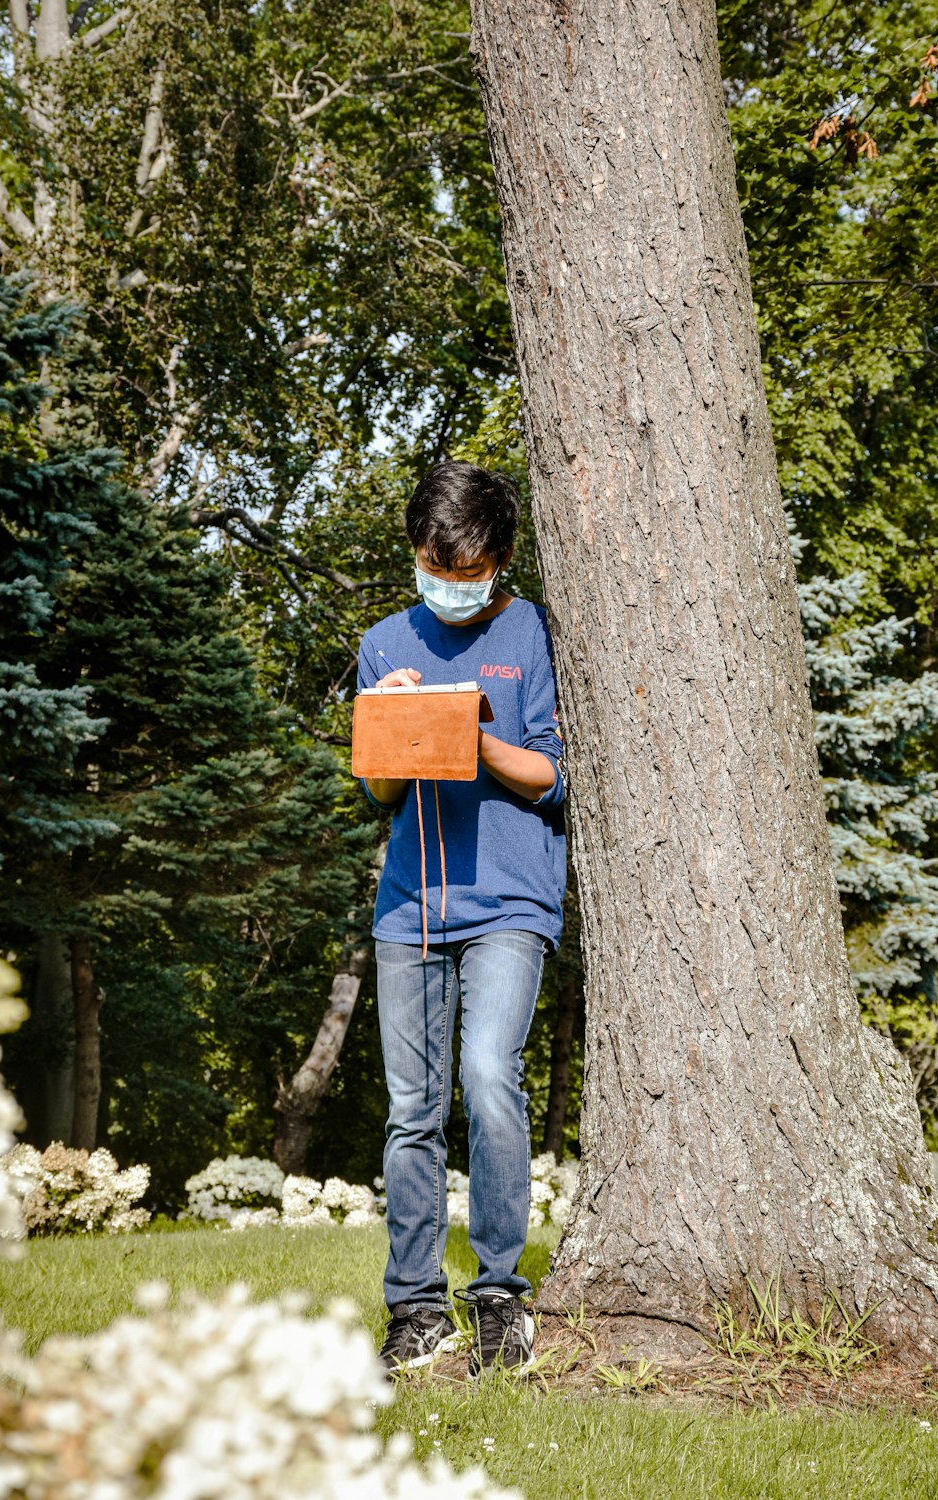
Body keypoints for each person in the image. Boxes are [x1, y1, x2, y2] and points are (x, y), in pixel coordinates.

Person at [355, 460, 567, 1378]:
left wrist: (472, 736)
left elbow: (553, 771)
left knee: (486, 1075)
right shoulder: (382, 641)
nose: (450, 584)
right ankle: (414, 1307)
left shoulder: (531, 630)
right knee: (411, 1110)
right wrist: (406, 723)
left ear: (500, 560)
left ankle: (497, 1295)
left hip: (512, 897)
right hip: (409, 908)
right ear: (415, 554)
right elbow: (379, 786)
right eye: (435, 565)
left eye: (469, 569)